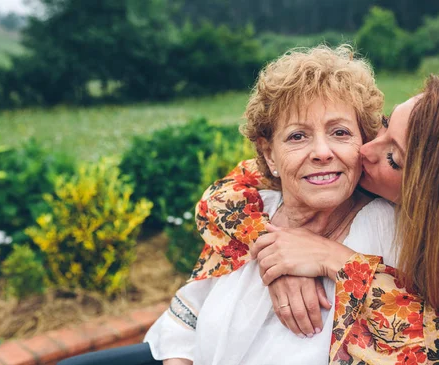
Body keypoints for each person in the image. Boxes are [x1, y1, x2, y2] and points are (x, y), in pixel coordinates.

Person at [194, 75, 439, 365]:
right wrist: (270, 248)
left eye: (392, 156)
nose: (365, 151)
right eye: (384, 126)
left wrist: (338, 261)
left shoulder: (416, 245)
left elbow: (438, 348)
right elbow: (228, 192)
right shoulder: (305, 191)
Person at [144, 45, 395, 364]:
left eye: (340, 132)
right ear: (268, 154)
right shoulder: (247, 216)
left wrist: (340, 265)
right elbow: (185, 319)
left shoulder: (388, 229)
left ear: (363, 142)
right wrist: (272, 259)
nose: (321, 152)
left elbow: (419, 335)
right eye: (297, 136)